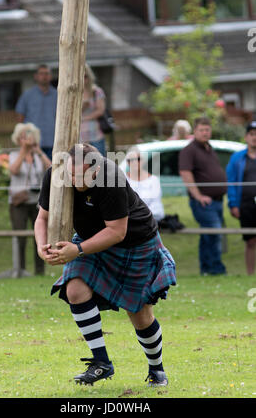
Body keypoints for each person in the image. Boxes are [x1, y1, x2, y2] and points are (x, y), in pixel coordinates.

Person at [34, 143, 176, 387]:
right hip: (90, 238)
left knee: (139, 314)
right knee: (75, 289)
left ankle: (157, 369)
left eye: (80, 176)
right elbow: (42, 217)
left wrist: (77, 250)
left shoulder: (112, 179)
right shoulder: (56, 174)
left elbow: (117, 232)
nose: (74, 181)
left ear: (97, 169)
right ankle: (101, 363)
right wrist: (41, 246)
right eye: (71, 174)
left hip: (134, 242)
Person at [179, 117, 227, 275]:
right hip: (203, 203)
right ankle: (216, 269)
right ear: (195, 131)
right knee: (214, 233)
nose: (205, 133)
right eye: (201, 130)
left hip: (217, 201)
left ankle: (206, 269)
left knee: (208, 235)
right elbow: (185, 174)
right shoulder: (189, 150)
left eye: (207, 129)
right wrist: (198, 196)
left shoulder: (209, 148)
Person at [9, 122, 51, 275]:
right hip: (19, 202)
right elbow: (14, 170)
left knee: (39, 237)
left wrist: (38, 151)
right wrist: (23, 151)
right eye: (22, 137)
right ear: (17, 139)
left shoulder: (38, 156)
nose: (25, 139)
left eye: (28, 136)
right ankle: (20, 270)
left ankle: (39, 271)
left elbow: (52, 169)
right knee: (20, 237)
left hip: (38, 201)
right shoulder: (13, 155)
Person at [226, 121, 256, 275]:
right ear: (246, 137)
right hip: (246, 205)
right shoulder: (237, 158)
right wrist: (233, 204)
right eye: (252, 134)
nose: (254, 137)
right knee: (250, 241)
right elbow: (231, 182)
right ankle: (250, 273)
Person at [15, 64, 57, 161]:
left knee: (52, 172)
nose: (44, 76)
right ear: (36, 76)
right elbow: (20, 118)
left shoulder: (58, 95)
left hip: (53, 141)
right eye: (41, 73)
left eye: (47, 73)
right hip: (32, 143)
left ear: (51, 76)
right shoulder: (27, 95)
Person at [125, 148, 165, 222]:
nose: (135, 162)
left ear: (143, 161)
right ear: (127, 162)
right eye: (131, 160)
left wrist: (143, 215)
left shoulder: (153, 180)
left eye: (138, 159)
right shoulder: (122, 180)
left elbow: (156, 206)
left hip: (149, 220)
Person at [80, 64, 106, 156]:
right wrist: (83, 106)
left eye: (86, 76)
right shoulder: (74, 93)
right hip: (80, 137)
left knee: (101, 165)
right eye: (81, 76)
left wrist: (84, 118)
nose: (83, 79)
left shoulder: (96, 91)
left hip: (96, 135)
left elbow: (100, 111)